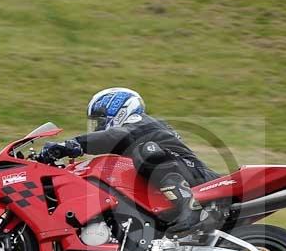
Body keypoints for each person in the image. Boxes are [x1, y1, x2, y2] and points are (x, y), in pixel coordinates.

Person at [39, 87, 219, 233]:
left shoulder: (141, 122)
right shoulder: (133, 139)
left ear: (119, 111)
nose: (98, 128)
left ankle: (190, 207)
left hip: (197, 176)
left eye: (100, 121)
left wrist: (73, 144)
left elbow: (117, 136)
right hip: (180, 176)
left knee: (146, 152)